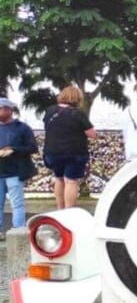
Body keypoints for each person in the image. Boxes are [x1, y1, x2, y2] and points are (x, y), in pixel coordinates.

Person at [43, 86, 96, 209]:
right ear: (77, 98)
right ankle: (68, 212)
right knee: (71, 181)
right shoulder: (77, 114)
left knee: (59, 179)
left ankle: (60, 209)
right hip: (74, 152)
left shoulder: (50, 111)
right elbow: (92, 134)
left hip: (52, 151)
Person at [0, 98, 36, 240]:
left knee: (17, 203)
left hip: (15, 171)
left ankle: (18, 232)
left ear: (9, 110)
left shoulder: (22, 128)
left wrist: (14, 150)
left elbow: (33, 148)